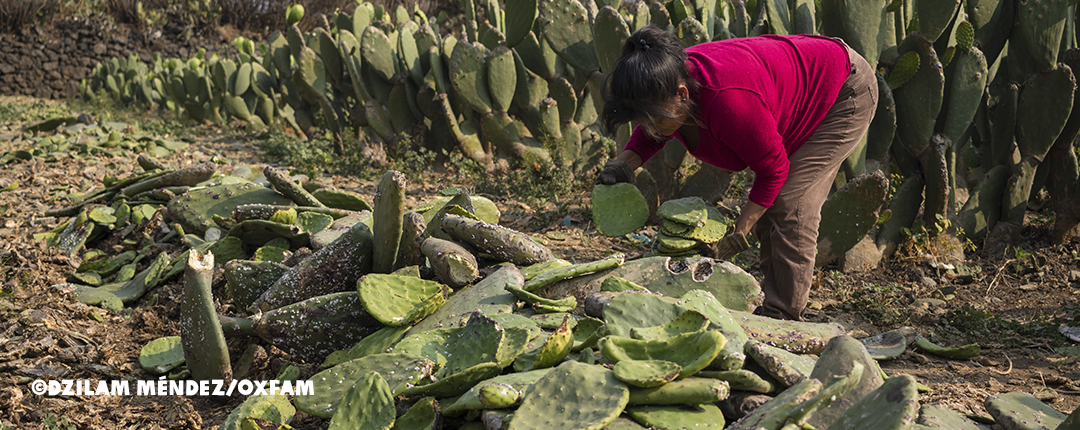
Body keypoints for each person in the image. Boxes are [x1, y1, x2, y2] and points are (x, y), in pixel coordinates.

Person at [596, 25, 877, 321]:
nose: (651, 128)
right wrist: (623, 165)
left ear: (681, 93)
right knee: (773, 205)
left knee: (790, 201)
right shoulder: (667, 84)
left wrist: (738, 234)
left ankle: (782, 317)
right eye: (645, 121)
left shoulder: (729, 102)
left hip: (843, 89)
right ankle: (772, 300)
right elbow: (650, 130)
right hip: (799, 83)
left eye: (655, 120)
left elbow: (773, 171)